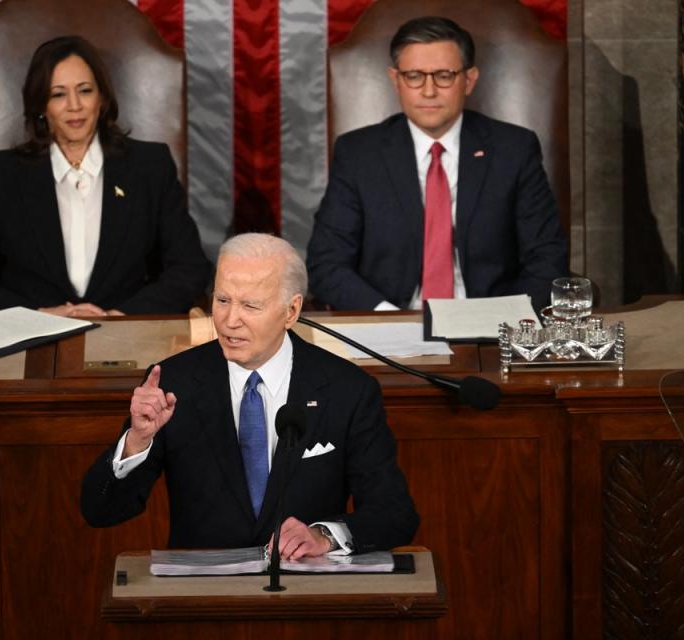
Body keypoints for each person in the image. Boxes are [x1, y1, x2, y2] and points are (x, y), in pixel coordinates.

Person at [81, 233, 418, 558]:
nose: (229, 321)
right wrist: (138, 440)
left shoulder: (347, 390)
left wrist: (324, 537)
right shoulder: (173, 383)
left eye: (250, 306)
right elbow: (100, 511)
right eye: (222, 300)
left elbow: (394, 513)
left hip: (305, 598)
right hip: (202, 603)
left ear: (291, 311)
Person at [0, 36, 210, 318]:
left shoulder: (150, 167)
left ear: (101, 99)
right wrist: (35, 316)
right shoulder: (2, 174)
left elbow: (190, 268)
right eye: (58, 94)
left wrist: (122, 317)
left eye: (85, 90)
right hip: (30, 342)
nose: (74, 105)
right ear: (41, 106)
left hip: (126, 341)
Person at [307, 16, 568, 313]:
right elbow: (326, 264)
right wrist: (388, 318)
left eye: (444, 75)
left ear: (469, 80)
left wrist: (499, 319)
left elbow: (547, 259)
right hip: (390, 324)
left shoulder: (514, 150)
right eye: (414, 76)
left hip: (489, 327)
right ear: (396, 80)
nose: (428, 91)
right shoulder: (359, 154)